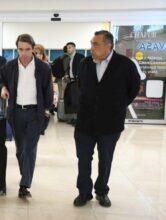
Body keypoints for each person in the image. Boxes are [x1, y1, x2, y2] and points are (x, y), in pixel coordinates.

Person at [73, 30, 140, 208]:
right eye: (91, 44)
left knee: (106, 160)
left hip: (110, 124)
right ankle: (84, 192)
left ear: (108, 45)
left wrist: (118, 106)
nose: (91, 48)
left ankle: (102, 192)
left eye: (95, 44)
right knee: (84, 159)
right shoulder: (85, 63)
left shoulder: (125, 65)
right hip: (85, 123)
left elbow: (133, 88)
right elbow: (80, 87)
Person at [0, 34, 53, 198]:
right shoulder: (9, 67)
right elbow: (1, 81)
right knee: (20, 150)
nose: (24, 53)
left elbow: (48, 90)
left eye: (27, 49)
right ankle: (26, 172)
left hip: (35, 113)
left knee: (30, 149)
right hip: (15, 113)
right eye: (20, 49)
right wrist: (2, 88)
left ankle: (25, 185)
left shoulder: (43, 68)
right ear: (17, 49)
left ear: (33, 49)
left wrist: (47, 109)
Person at [65, 42, 85, 125]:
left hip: (77, 81)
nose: (68, 49)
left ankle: (79, 120)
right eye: (67, 48)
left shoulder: (80, 56)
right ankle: (74, 118)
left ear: (74, 48)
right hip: (71, 81)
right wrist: (67, 75)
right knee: (71, 100)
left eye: (70, 47)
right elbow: (70, 69)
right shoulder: (70, 58)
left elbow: (83, 68)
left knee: (77, 101)